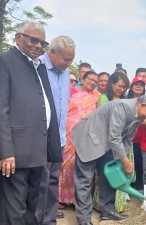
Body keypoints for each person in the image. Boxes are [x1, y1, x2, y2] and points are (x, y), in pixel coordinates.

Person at [72, 92, 146, 225]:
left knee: (109, 177)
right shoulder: (122, 107)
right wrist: (126, 162)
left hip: (106, 143)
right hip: (89, 138)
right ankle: (84, 220)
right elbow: (115, 137)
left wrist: (123, 160)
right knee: (85, 180)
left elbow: (128, 139)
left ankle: (107, 211)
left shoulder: (139, 115)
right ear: (143, 105)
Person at [0, 21, 61, 225]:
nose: (38, 46)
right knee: (14, 209)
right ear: (18, 38)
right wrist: (6, 151)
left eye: (42, 43)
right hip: (15, 152)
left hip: (38, 150)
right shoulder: (5, 61)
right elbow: (1, 109)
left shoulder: (39, 66)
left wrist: (51, 150)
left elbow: (48, 107)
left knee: (34, 206)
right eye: (33, 40)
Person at [36, 35, 75, 224]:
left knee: (52, 182)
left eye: (71, 60)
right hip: (39, 137)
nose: (69, 64)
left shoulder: (65, 71)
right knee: (38, 183)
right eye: (66, 59)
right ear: (52, 52)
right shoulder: (37, 66)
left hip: (58, 137)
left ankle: (49, 220)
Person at [59, 71, 100, 208]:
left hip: (86, 136)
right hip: (69, 133)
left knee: (81, 166)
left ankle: (77, 199)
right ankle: (62, 198)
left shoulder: (97, 97)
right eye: (90, 79)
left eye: (96, 81)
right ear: (82, 79)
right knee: (66, 165)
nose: (93, 82)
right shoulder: (71, 92)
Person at [93, 71, 130, 212]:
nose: (121, 89)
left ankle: (113, 207)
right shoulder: (104, 98)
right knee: (105, 177)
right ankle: (104, 209)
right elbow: (105, 120)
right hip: (106, 143)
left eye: (124, 87)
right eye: (119, 86)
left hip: (119, 144)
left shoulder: (125, 100)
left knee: (116, 176)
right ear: (112, 84)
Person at [127, 77, 146, 193]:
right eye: (136, 84)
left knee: (139, 163)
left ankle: (139, 186)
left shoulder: (145, 101)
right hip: (129, 138)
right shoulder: (126, 100)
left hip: (142, 138)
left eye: (141, 85)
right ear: (132, 86)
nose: (139, 87)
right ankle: (128, 187)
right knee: (128, 162)